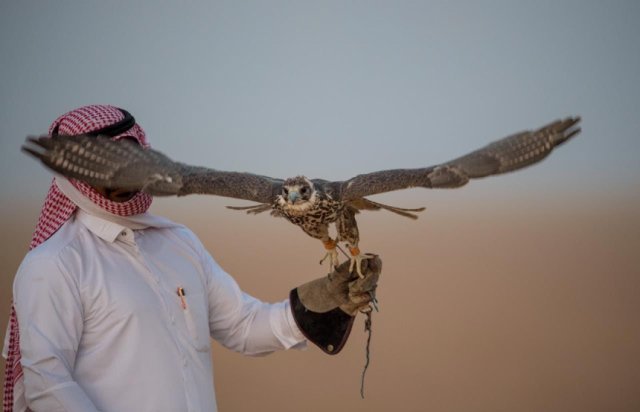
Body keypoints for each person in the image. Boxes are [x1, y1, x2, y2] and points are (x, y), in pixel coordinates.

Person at [2, 105, 380, 412]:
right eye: (104, 168)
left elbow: (244, 325)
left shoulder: (178, 243)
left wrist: (320, 303)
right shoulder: (54, 265)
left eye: (131, 164)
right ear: (74, 171)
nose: (122, 178)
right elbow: (48, 385)